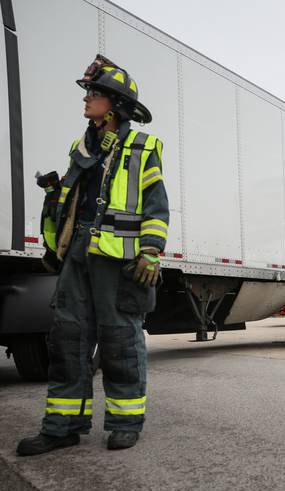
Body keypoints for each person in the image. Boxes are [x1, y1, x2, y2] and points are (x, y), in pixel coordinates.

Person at [17, 55, 169, 456]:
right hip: (78, 256)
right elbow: (73, 200)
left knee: (120, 341)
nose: (86, 100)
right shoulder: (80, 146)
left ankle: (125, 423)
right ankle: (62, 426)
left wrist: (151, 251)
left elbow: (156, 206)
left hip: (117, 261)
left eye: (94, 94)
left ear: (115, 105)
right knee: (66, 339)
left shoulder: (143, 147)